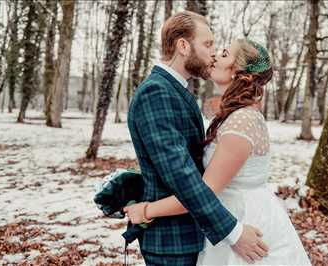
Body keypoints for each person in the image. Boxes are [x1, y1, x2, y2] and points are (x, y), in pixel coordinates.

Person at [125, 36, 312, 265]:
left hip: (245, 221)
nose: (214, 56)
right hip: (230, 213)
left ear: (237, 71)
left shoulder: (241, 123)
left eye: (224, 54)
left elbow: (204, 191)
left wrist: (146, 210)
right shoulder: (236, 117)